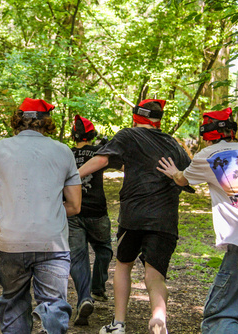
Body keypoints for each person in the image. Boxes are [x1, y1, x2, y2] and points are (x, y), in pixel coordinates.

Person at [77, 99, 191, 334]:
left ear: (136, 118)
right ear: (158, 120)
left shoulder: (128, 135)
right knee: (155, 275)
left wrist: (71, 177)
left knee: (123, 265)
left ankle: (118, 324)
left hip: (134, 217)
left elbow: (102, 159)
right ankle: (159, 319)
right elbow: (188, 177)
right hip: (165, 219)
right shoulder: (174, 145)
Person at [0, 97, 82, 334]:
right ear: (47, 123)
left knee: (13, 302)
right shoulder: (64, 152)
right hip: (52, 242)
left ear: (17, 120)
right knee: (54, 304)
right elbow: (74, 206)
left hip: (12, 241)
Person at [157, 107, 238, 334]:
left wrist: (173, 171)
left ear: (205, 133)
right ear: (232, 130)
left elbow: (182, 180)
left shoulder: (208, 157)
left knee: (221, 315)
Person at [68, 115, 113, 326]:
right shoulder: (98, 152)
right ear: (91, 134)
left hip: (72, 212)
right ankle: (98, 287)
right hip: (97, 212)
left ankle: (84, 299)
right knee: (104, 249)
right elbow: (124, 167)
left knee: (78, 258)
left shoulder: (66, 154)